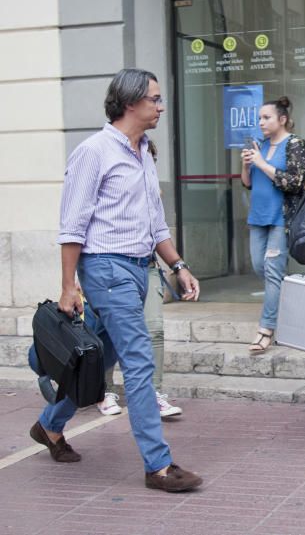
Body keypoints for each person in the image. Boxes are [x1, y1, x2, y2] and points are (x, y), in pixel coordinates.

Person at [33, 68, 203, 492]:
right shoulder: (94, 152)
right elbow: (72, 225)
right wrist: (69, 285)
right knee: (139, 360)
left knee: (97, 357)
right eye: (155, 99)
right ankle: (158, 465)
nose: (161, 107)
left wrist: (178, 266)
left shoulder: (143, 151)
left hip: (139, 268)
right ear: (129, 103)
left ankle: (49, 427)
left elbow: (156, 222)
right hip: (106, 269)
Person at [96, 139, 181, 418]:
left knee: (154, 329)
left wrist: (179, 266)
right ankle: (105, 390)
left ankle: (154, 394)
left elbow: (159, 230)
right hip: (110, 267)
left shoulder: (152, 191)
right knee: (109, 332)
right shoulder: (103, 172)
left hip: (147, 265)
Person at [240, 97, 305, 355]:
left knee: (272, 272)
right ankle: (295, 303)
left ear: (282, 119)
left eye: (266, 117)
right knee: (261, 267)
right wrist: (247, 165)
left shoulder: (295, 144)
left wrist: (261, 163)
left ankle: (266, 329)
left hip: (281, 217)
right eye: (259, 118)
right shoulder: (259, 145)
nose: (261, 122)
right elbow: (247, 183)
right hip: (258, 217)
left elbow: (295, 182)